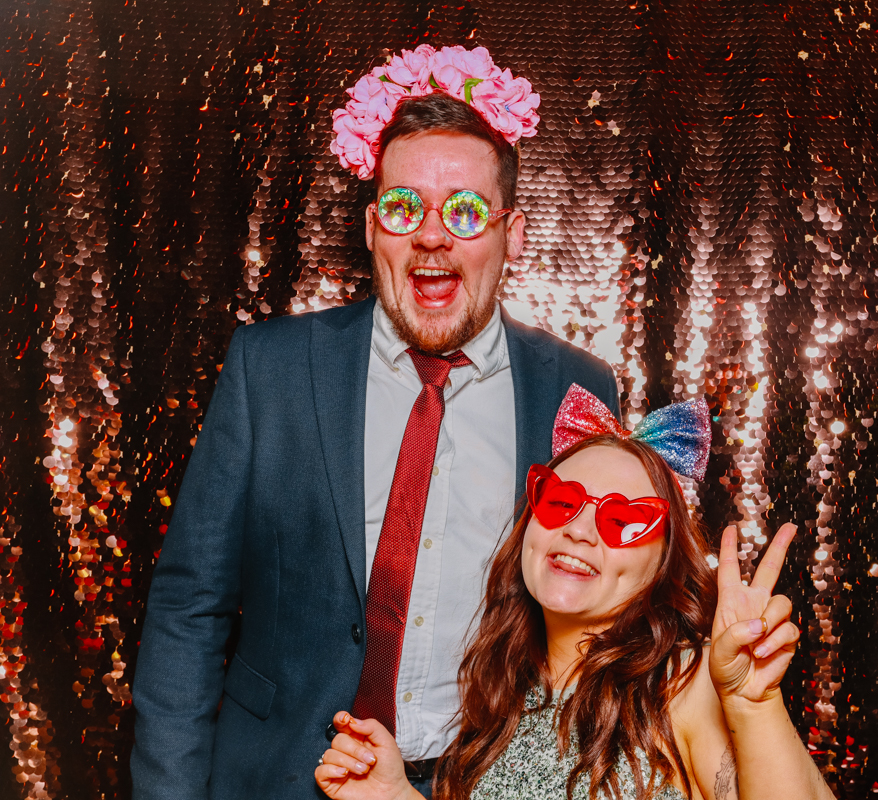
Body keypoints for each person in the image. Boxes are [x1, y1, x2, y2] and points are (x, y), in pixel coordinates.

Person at [131, 47, 619, 799]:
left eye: (464, 210)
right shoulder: (272, 368)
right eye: (403, 207)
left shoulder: (577, 390)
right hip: (275, 780)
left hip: (472, 785)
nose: (431, 235)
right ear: (370, 228)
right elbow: (188, 607)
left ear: (512, 234)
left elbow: (605, 611)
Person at [314, 386, 835, 800]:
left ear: (662, 564)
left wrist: (754, 707)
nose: (581, 531)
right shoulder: (504, 682)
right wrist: (396, 794)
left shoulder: (684, 683)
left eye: (623, 520)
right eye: (563, 502)